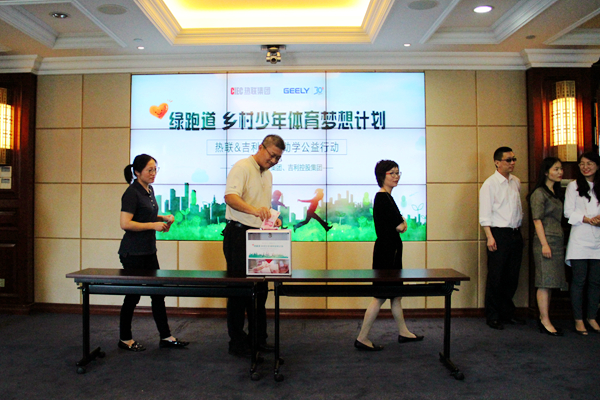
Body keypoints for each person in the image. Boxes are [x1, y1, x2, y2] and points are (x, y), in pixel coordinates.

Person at [117, 154, 188, 351]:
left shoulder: (149, 190)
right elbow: (125, 223)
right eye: (149, 170)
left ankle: (166, 337)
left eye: (155, 169)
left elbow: (144, 214)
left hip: (148, 250)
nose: (153, 173)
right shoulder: (131, 192)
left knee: (158, 293)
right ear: (137, 172)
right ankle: (125, 339)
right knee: (133, 296)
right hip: (133, 252)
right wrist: (153, 225)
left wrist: (162, 217)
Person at [223, 134, 285, 356]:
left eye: (278, 158)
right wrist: (255, 211)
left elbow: (262, 207)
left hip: (259, 236)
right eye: (272, 155)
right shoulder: (242, 167)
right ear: (261, 147)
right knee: (239, 291)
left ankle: (258, 339)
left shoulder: (268, 174)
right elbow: (230, 197)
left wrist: (271, 218)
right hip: (239, 235)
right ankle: (237, 342)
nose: (273, 161)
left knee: (260, 290)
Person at [355, 160, 423, 351]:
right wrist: (402, 221)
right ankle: (362, 337)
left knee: (396, 295)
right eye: (391, 173)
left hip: (390, 250)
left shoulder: (386, 197)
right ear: (382, 176)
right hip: (387, 253)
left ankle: (404, 332)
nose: (396, 176)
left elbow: (400, 224)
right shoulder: (383, 198)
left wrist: (402, 222)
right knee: (380, 296)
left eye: (397, 172)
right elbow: (401, 226)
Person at [479, 146, 525, 330]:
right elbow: (485, 213)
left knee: (512, 276)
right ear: (497, 162)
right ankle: (493, 315)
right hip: (498, 233)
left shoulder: (516, 182)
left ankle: (507, 313)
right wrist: (489, 237)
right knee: (496, 276)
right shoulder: (489, 184)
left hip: (515, 233)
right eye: (508, 160)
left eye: (514, 159)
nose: (512, 163)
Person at [528, 157, 567, 336]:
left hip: (556, 240)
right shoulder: (539, 193)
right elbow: (537, 220)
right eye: (556, 169)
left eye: (561, 169)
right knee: (544, 281)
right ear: (546, 172)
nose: (560, 172)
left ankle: (545, 317)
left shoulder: (555, 192)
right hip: (545, 240)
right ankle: (544, 320)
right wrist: (544, 244)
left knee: (551, 282)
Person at [564, 151, 600, 336]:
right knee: (579, 281)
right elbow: (568, 212)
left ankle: (592, 317)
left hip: (598, 240)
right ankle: (578, 319)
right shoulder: (573, 186)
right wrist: (587, 219)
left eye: (589, 164)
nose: (585, 167)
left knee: (596, 281)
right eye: (582, 164)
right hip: (579, 239)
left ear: (597, 166)